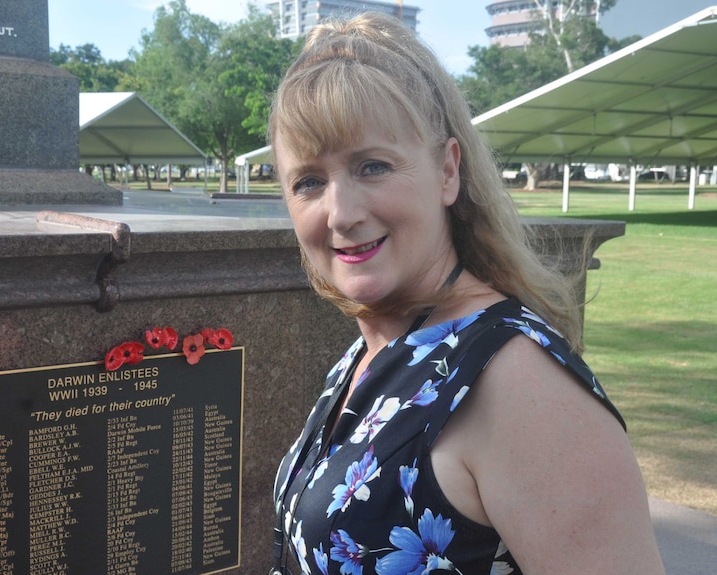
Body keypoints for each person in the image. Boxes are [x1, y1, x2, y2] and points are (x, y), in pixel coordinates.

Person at [269, 12, 665, 575]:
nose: (342, 213)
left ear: (448, 171)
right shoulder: (371, 354)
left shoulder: (516, 383)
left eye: (373, 166)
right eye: (308, 181)